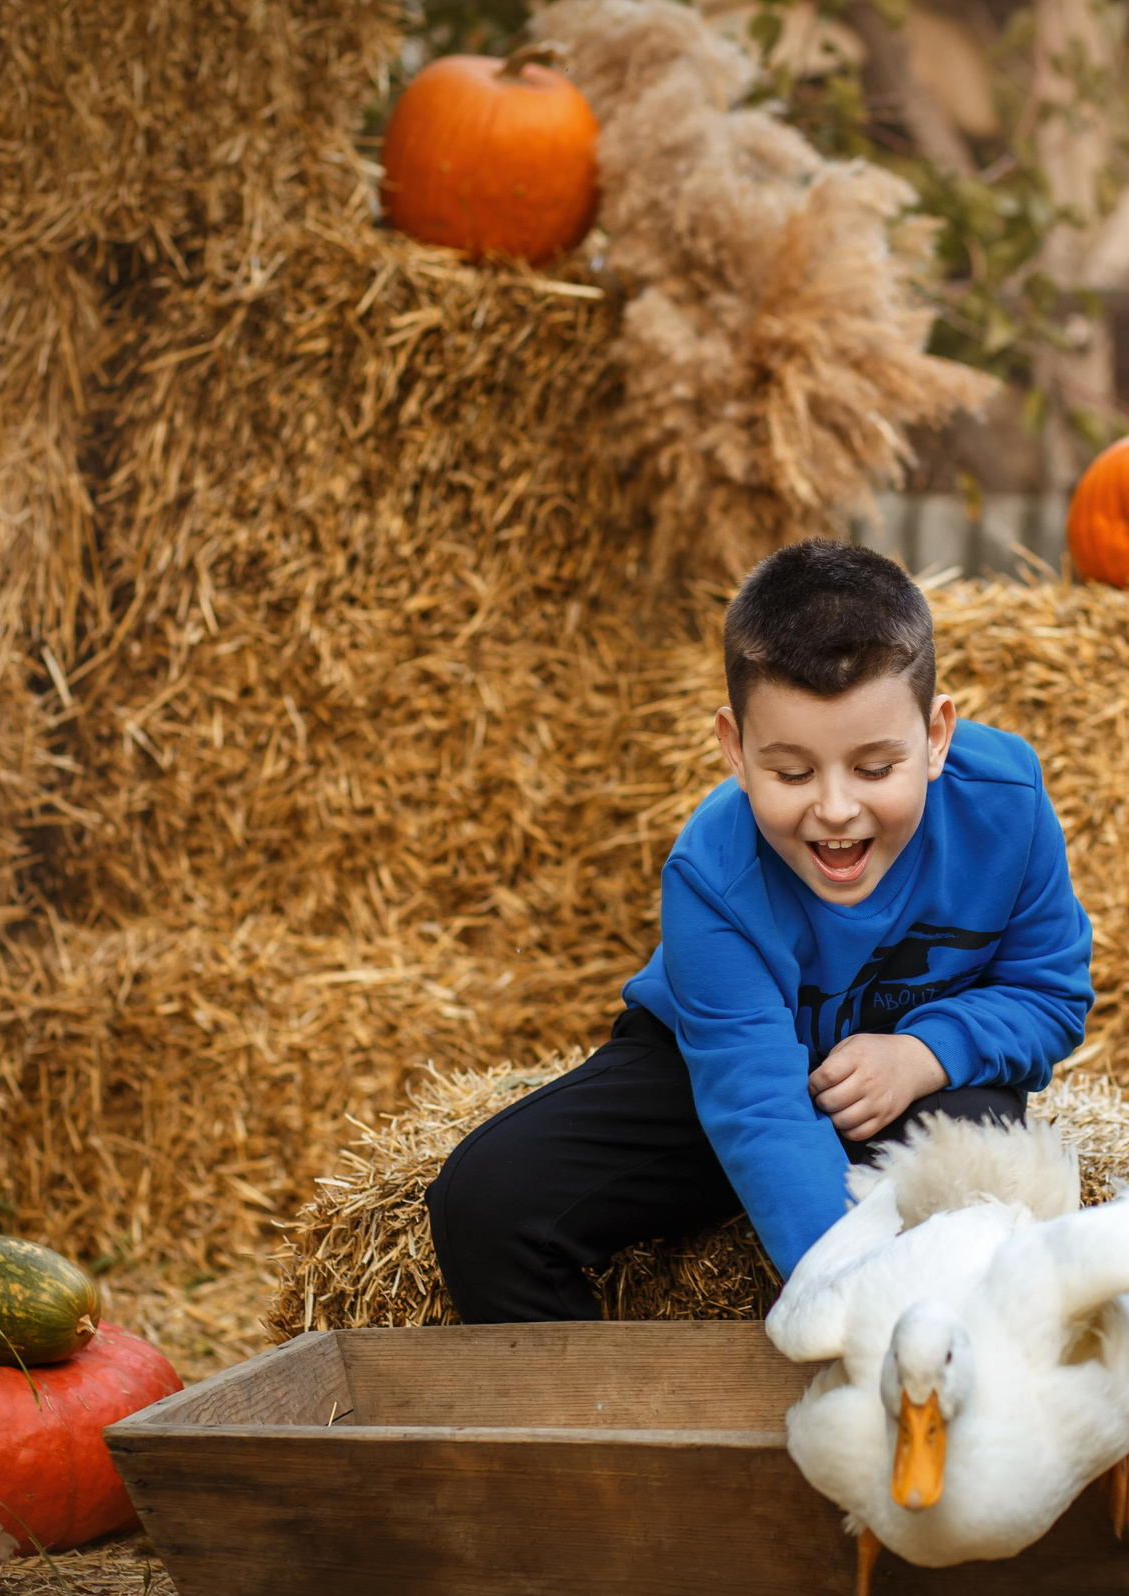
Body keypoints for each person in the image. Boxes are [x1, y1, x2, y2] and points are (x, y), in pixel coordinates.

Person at [427, 539, 1094, 1322]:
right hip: (716, 1066)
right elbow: (759, 1108)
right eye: (792, 772)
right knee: (484, 1200)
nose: (837, 808)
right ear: (735, 749)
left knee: (980, 1169)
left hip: (909, 1082)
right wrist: (846, 1294)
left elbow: (1049, 995)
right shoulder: (710, 872)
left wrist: (925, 1052)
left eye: (876, 769)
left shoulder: (1006, 802)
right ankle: (605, 1431)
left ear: (937, 735)